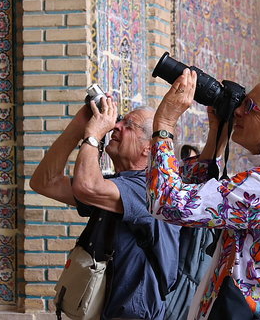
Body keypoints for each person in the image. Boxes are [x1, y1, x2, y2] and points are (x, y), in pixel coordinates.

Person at [146, 67, 260, 320]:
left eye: (251, 106)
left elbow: (166, 202)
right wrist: (217, 137)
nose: (238, 111)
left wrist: (164, 125)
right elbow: (194, 194)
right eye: (243, 101)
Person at [30, 96, 180, 320]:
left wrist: (93, 136)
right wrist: (80, 125)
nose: (116, 127)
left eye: (128, 125)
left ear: (149, 148)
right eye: (120, 120)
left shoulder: (149, 189)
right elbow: (45, 182)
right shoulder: (116, 185)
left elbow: (88, 186)